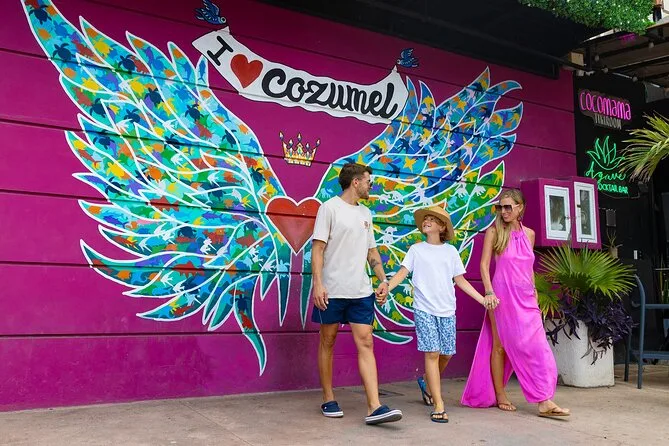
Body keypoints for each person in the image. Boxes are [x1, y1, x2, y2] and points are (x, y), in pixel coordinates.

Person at [461, 189, 570, 418]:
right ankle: (501, 395)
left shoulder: (529, 234)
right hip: (501, 296)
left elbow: (528, 268)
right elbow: (483, 266)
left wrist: (535, 293)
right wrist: (489, 292)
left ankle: (544, 398)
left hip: (527, 297)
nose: (503, 211)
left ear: (520, 207)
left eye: (508, 207)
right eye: (500, 207)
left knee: (538, 347)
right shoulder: (494, 232)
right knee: (499, 345)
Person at [384, 205, 497, 423]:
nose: (426, 221)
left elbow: (460, 280)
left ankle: (426, 381)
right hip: (424, 309)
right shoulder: (416, 250)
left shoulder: (451, 252)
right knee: (432, 353)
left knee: (446, 354)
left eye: (432, 219)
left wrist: (483, 299)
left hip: (447, 310)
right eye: (425, 218)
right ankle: (438, 404)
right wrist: (387, 287)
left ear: (442, 227)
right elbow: (402, 273)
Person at [311, 162, 403, 425]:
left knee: (366, 342)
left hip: (361, 291)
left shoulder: (366, 213)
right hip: (332, 289)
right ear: (356, 182)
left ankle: (375, 406)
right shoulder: (329, 208)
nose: (371, 186)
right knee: (327, 341)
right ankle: (328, 398)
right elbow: (318, 249)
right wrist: (318, 284)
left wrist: (383, 279)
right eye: (368, 181)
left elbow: (371, 252)